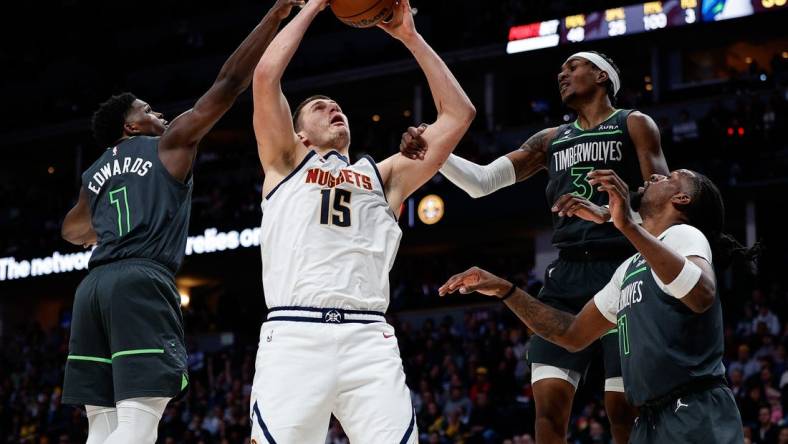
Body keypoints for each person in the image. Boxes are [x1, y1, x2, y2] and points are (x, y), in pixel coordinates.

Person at [59, 2, 302, 442]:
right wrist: (274, 17)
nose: (160, 116)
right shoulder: (168, 144)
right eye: (148, 111)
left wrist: (109, 218)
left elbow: (72, 230)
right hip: (140, 280)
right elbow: (228, 84)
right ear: (130, 128)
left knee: (101, 423)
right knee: (138, 421)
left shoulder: (92, 173)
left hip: (92, 289)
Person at [402, 51, 668, 443]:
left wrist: (613, 210)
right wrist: (435, 150)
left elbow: (662, 204)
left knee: (622, 412)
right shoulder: (550, 140)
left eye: (572, 67)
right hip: (566, 276)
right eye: (560, 70)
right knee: (547, 410)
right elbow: (481, 183)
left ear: (600, 75)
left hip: (622, 269)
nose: (562, 74)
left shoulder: (633, 123)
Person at [248, 0, 475, 442]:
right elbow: (264, 77)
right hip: (296, 334)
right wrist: (314, 6)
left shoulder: (385, 175)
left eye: (336, 104)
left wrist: (410, 36)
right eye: (318, 106)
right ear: (298, 133)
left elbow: (459, 115)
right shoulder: (283, 162)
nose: (333, 106)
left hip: (368, 337)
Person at [440, 168, 750, 443]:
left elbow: (701, 293)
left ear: (681, 199)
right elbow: (571, 333)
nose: (655, 176)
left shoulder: (684, 235)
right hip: (649, 418)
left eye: (669, 178)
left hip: (694, 408)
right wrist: (504, 289)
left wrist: (627, 226)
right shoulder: (628, 268)